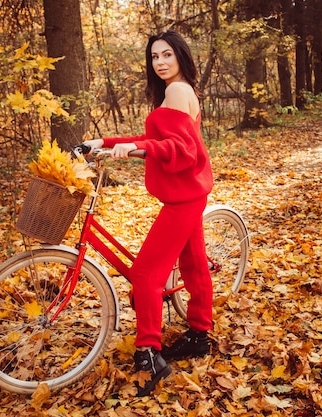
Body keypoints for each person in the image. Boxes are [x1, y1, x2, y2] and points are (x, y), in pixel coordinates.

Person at [81, 30, 214, 397]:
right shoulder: (180, 90)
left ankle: (149, 354)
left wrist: (135, 151)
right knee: (193, 264)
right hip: (190, 192)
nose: (160, 62)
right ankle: (200, 334)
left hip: (183, 198)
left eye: (167, 54)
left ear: (180, 56)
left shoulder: (176, 91)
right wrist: (105, 142)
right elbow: (163, 140)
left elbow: (179, 150)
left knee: (145, 274)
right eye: (155, 57)